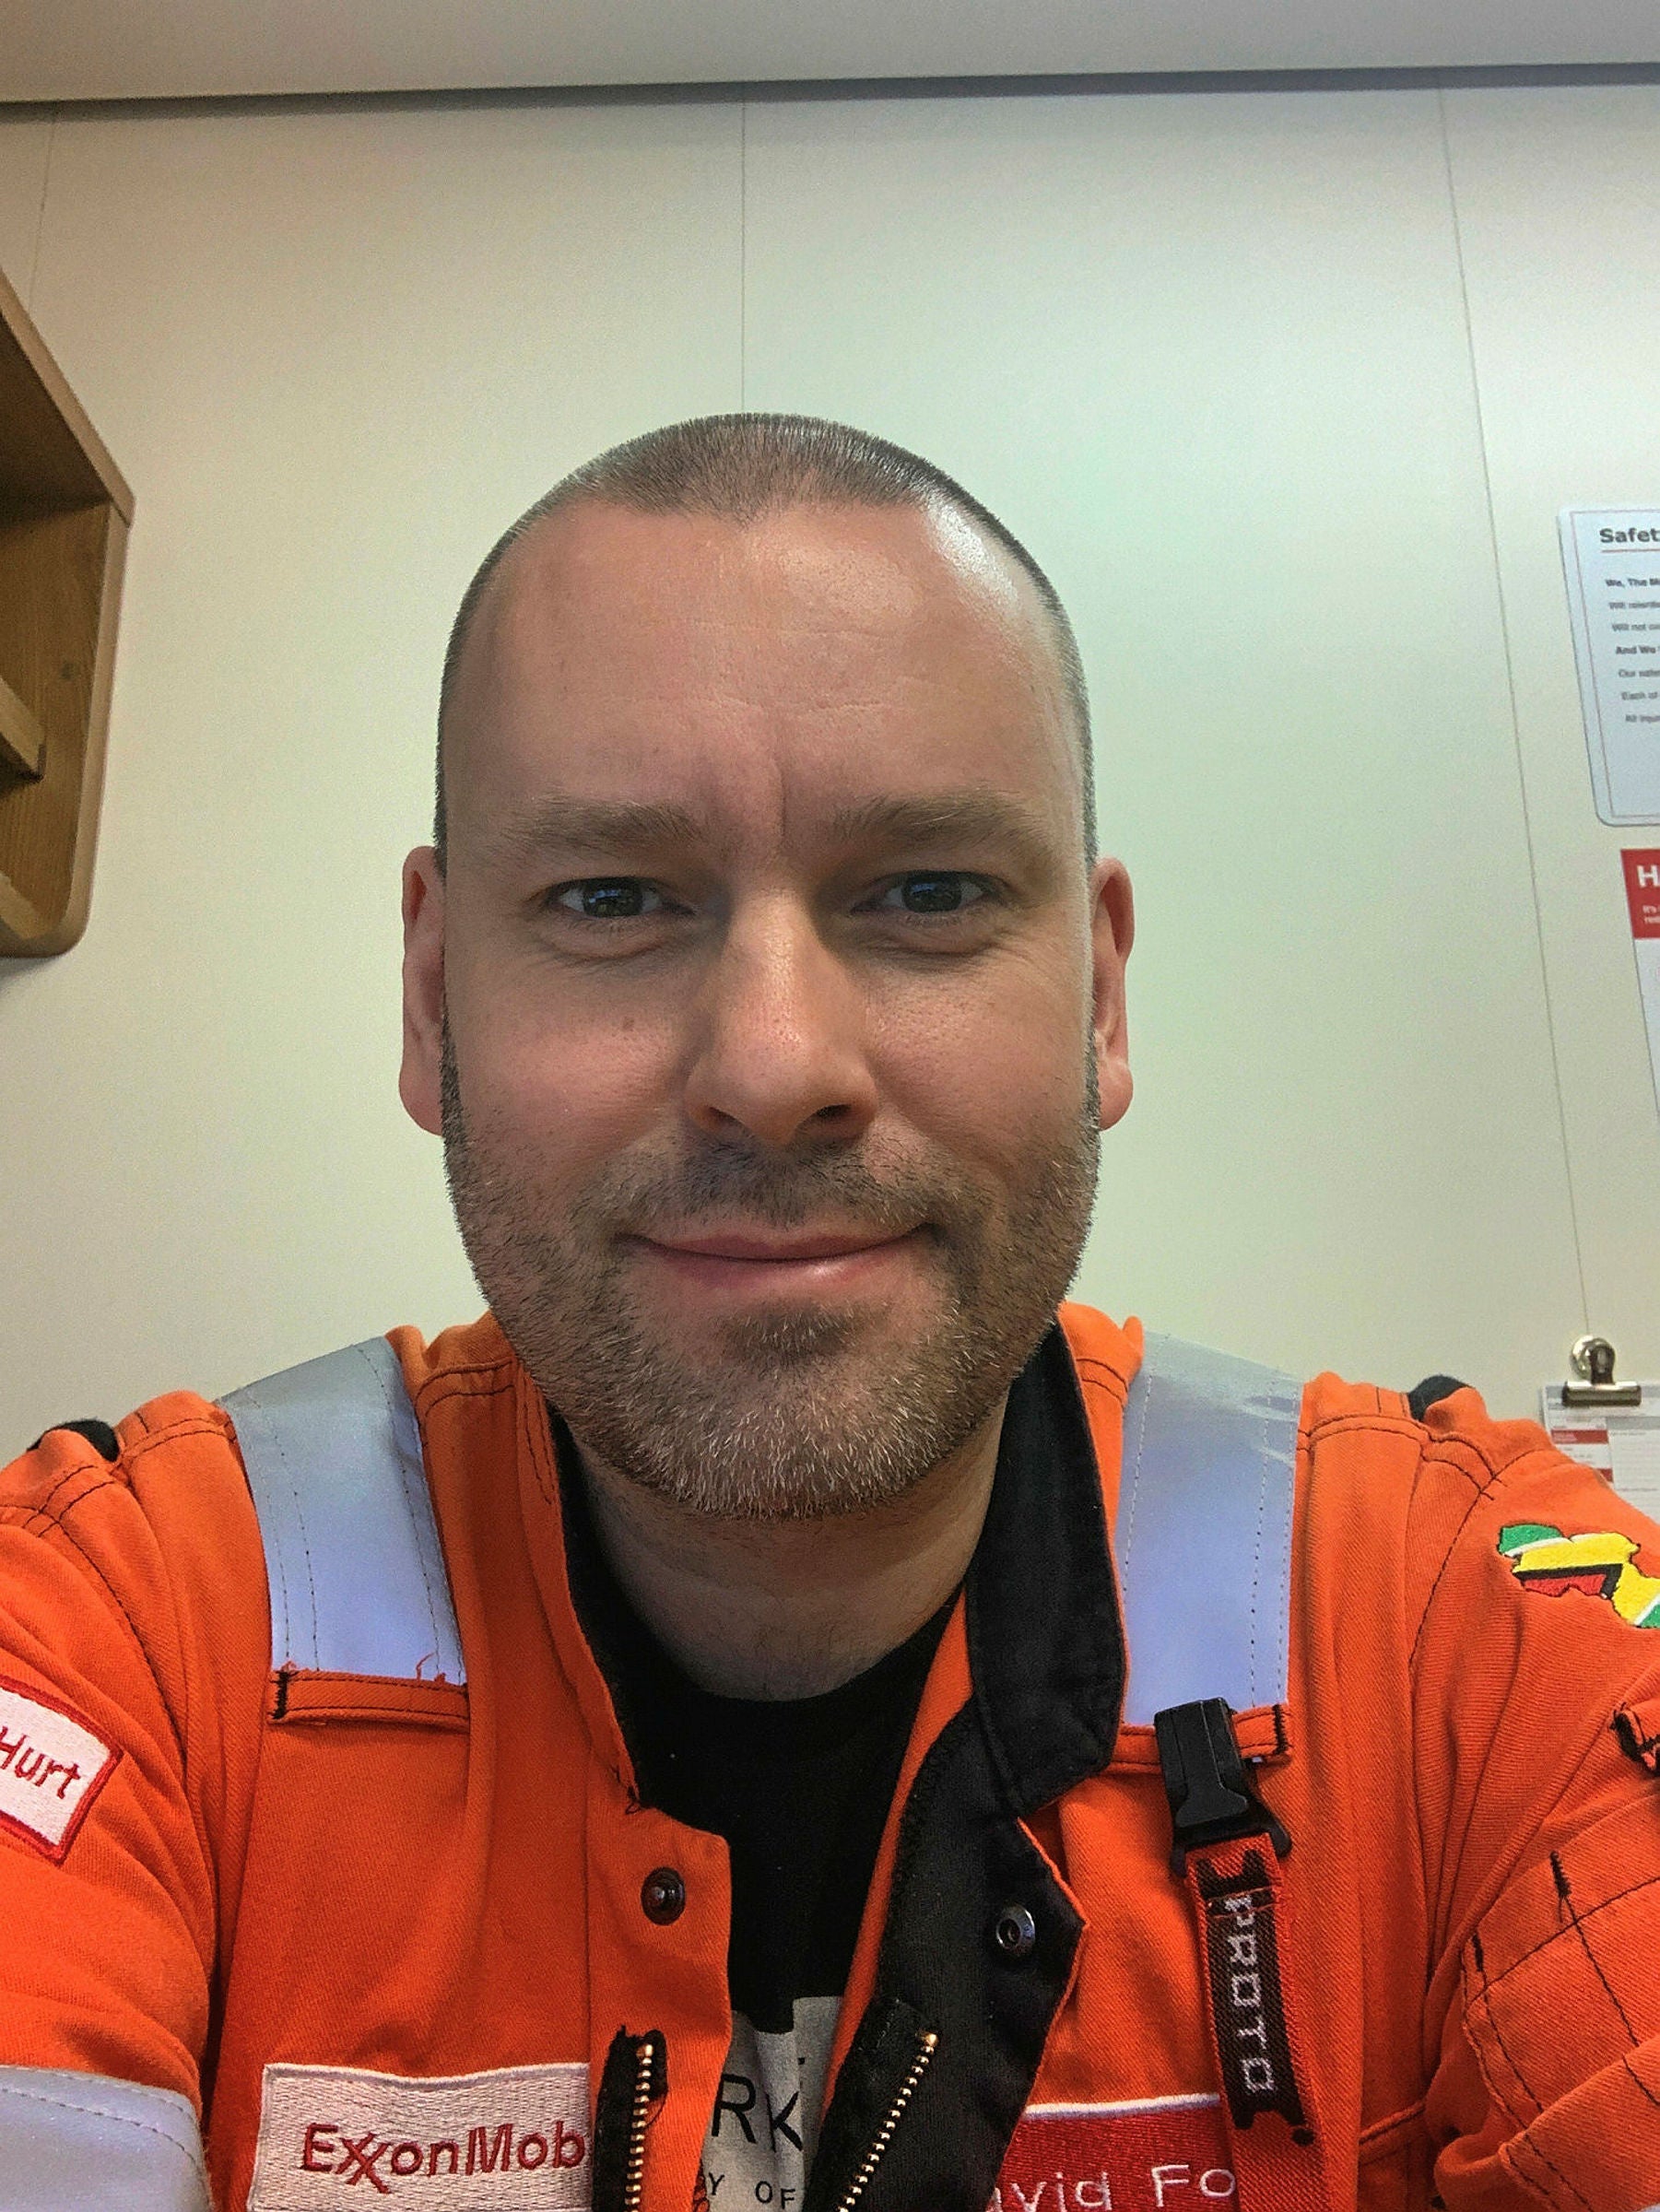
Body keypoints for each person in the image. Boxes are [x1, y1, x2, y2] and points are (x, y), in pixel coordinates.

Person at [2, 415, 1658, 2212]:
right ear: (430, 996)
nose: (775, 1065)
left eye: (926, 895)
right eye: (610, 898)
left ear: (1100, 1000)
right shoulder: (117, 1630)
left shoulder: (1476, 1633)